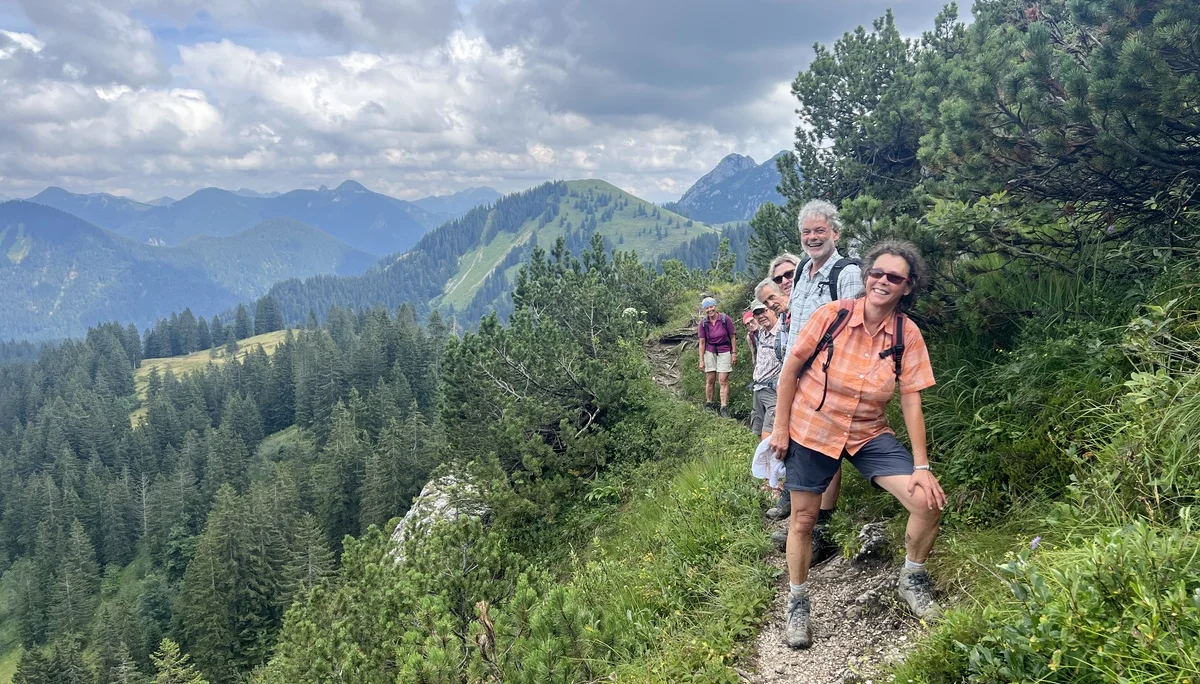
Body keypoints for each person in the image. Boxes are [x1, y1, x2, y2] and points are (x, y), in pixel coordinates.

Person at [769, 240, 945, 650]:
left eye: (894, 277)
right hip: (813, 426)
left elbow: (911, 398)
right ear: (866, 276)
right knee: (803, 521)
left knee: (928, 502)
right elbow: (791, 368)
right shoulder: (832, 315)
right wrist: (780, 428)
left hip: (867, 432)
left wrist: (922, 465)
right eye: (877, 273)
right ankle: (797, 602)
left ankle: (912, 577)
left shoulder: (907, 333)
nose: (882, 281)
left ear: (908, 286)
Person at [770, 203, 866, 552]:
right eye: (807, 232)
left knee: (826, 447)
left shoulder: (847, 273)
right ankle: (802, 521)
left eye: (820, 231)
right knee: (802, 445)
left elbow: (856, 329)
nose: (812, 238)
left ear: (835, 233)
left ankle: (821, 528)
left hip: (827, 379)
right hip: (795, 373)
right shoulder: (800, 271)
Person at [697, 296, 736, 417]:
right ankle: (709, 403)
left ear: (715, 306)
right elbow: (702, 342)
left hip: (724, 350)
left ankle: (723, 407)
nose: (710, 310)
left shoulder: (725, 319)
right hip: (710, 351)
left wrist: (734, 353)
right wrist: (701, 360)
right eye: (707, 308)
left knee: (723, 380)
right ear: (704, 310)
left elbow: (733, 336)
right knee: (710, 379)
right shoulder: (703, 323)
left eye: (711, 306)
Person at [748, 301, 780, 439]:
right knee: (758, 432)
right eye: (756, 313)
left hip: (773, 391)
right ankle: (764, 461)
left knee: (769, 436)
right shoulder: (761, 332)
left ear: (772, 310)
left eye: (763, 311)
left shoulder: (783, 333)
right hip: (758, 389)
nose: (760, 316)